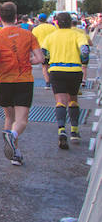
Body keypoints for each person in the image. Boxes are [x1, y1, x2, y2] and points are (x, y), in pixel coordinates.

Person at [0, 2, 43, 166]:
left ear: (0, 17)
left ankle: (14, 154)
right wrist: (28, 60)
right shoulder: (28, 35)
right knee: (22, 120)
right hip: (23, 79)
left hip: (3, 80)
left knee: (9, 117)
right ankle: (13, 137)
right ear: (16, 17)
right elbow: (40, 58)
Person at [42, 12, 90, 149]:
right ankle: (74, 130)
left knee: (60, 101)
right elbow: (85, 51)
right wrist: (83, 59)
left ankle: (61, 130)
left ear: (56, 23)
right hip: (74, 71)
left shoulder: (50, 37)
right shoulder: (78, 35)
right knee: (73, 100)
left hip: (56, 70)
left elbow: (43, 53)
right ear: (70, 22)